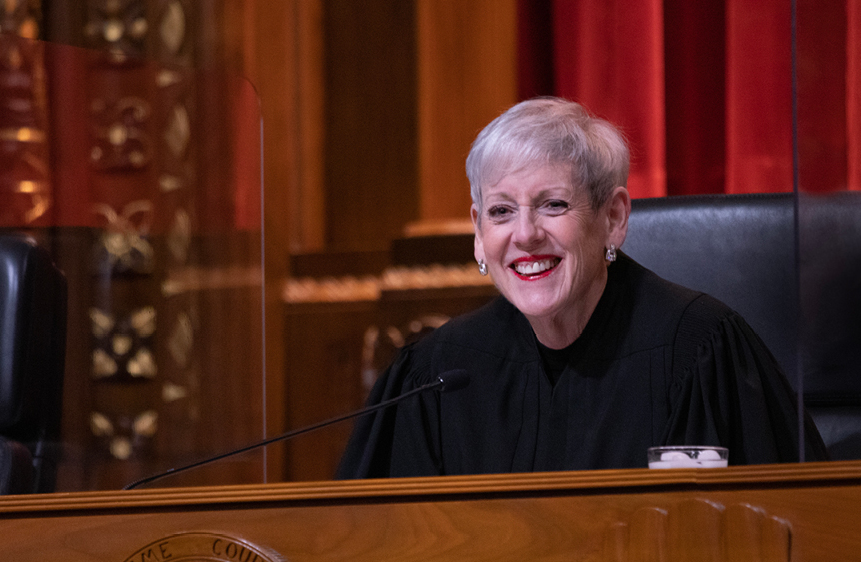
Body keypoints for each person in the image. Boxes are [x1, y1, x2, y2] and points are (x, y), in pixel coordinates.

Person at [337, 97, 827, 478]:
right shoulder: (435, 374)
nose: (525, 234)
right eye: (501, 211)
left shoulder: (699, 351)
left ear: (613, 218)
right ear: (478, 234)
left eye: (553, 204)